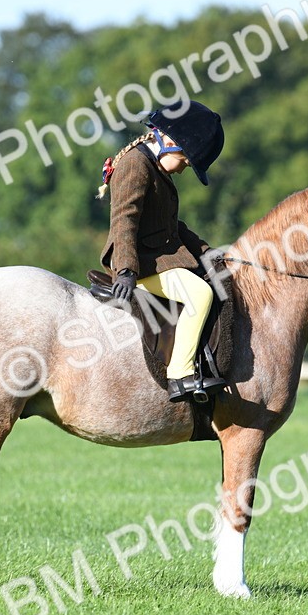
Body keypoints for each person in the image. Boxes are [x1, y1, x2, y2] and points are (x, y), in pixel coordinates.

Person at [97, 99, 226, 402]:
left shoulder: (157, 167)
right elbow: (124, 221)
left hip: (157, 260)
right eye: (185, 161)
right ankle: (180, 376)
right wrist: (126, 270)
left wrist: (209, 253)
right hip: (139, 266)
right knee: (200, 294)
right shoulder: (136, 164)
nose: (183, 168)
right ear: (169, 141)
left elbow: (172, 228)